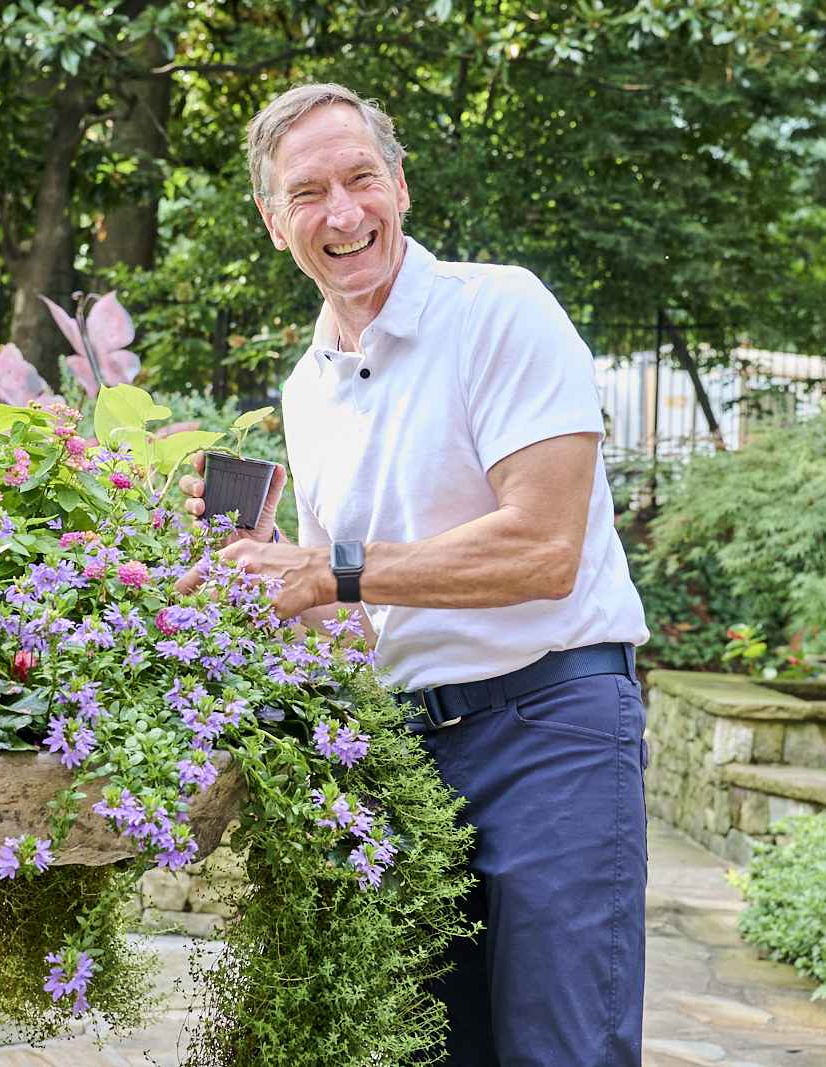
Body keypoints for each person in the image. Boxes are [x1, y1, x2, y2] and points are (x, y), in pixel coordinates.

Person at [176, 82, 650, 1067]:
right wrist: (262, 579)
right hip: (403, 752)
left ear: (401, 184)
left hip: (549, 733)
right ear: (273, 222)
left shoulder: (500, 310)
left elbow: (543, 547)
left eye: (361, 178)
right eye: (308, 192)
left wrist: (330, 568)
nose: (343, 213)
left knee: (563, 1048)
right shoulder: (306, 388)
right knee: (421, 1050)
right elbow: (357, 620)